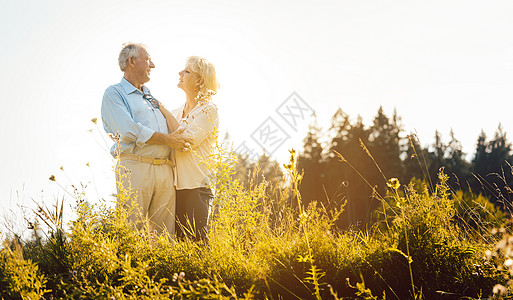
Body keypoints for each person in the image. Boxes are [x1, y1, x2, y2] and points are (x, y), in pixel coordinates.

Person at [101, 43, 191, 234]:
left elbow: (174, 132)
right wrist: (167, 140)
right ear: (131, 61)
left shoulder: (151, 96)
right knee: (131, 232)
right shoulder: (114, 93)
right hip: (136, 167)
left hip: (165, 170)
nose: (153, 65)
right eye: (148, 59)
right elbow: (129, 130)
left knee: (164, 237)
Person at [159, 56, 219, 240]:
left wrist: (163, 111)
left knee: (197, 244)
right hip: (173, 189)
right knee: (178, 245)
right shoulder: (176, 112)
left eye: (186, 71)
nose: (180, 73)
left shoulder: (208, 110)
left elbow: (185, 142)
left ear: (199, 80)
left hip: (197, 188)